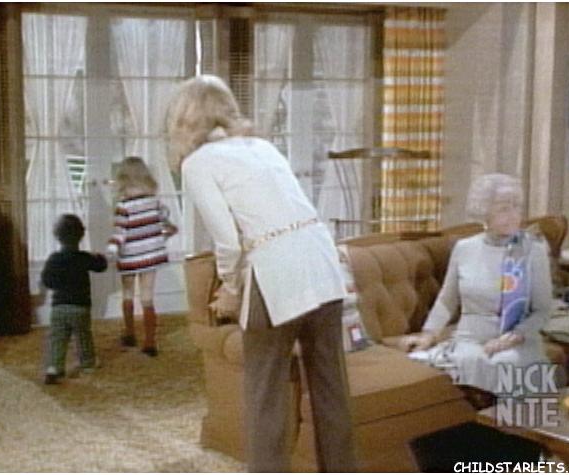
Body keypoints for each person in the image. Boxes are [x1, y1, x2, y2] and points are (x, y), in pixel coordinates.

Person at [167, 75, 356, 472]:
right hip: (323, 265)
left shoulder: (198, 163)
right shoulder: (262, 147)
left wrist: (230, 288)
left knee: (265, 397)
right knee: (331, 391)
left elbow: (228, 242)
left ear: (184, 119)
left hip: (275, 275)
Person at [399, 173, 554, 400]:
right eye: (504, 209)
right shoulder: (465, 248)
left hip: (516, 340)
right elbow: (447, 300)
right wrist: (429, 334)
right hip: (469, 339)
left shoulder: (533, 251)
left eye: (517, 207)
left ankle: (512, 422)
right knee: (467, 360)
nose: (513, 215)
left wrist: (514, 337)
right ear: (484, 211)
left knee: (507, 364)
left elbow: (543, 310)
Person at [107, 156, 175, 357]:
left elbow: (120, 234)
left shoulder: (123, 206)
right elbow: (165, 222)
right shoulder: (155, 202)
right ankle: (150, 342)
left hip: (129, 257)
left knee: (128, 293)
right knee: (147, 297)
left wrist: (110, 251)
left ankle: (130, 334)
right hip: (151, 255)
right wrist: (167, 232)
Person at [41, 214, 107, 384]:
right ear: (81, 235)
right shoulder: (84, 257)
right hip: (80, 307)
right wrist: (99, 256)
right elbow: (101, 267)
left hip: (59, 307)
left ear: (57, 236)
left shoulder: (54, 258)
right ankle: (88, 363)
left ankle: (54, 367)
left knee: (57, 338)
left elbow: (47, 281)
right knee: (83, 335)